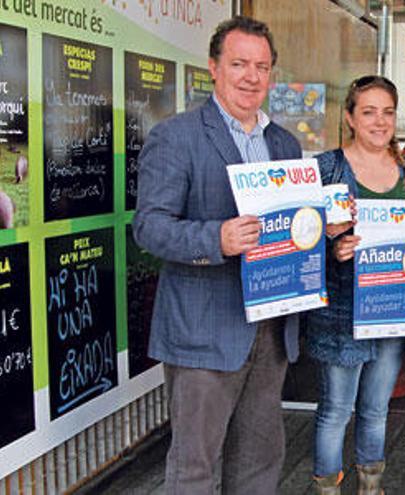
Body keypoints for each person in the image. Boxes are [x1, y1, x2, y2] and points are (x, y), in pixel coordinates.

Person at [133, 17, 302, 494]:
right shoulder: (177, 136)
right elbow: (149, 228)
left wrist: (320, 230)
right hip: (204, 332)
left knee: (260, 462)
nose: (251, 76)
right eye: (239, 64)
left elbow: (288, 228)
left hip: (270, 332)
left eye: (262, 66)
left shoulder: (283, 144)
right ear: (214, 68)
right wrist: (217, 239)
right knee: (194, 469)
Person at [306, 75, 405, 495]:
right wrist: (331, 247)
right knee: (336, 411)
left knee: (375, 411)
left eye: (387, 112)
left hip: (394, 309)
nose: (379, 121)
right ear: (350, 117)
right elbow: (300, 241)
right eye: (368, 112)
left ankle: (371, 489)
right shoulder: (327, 168)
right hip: (341, 313)